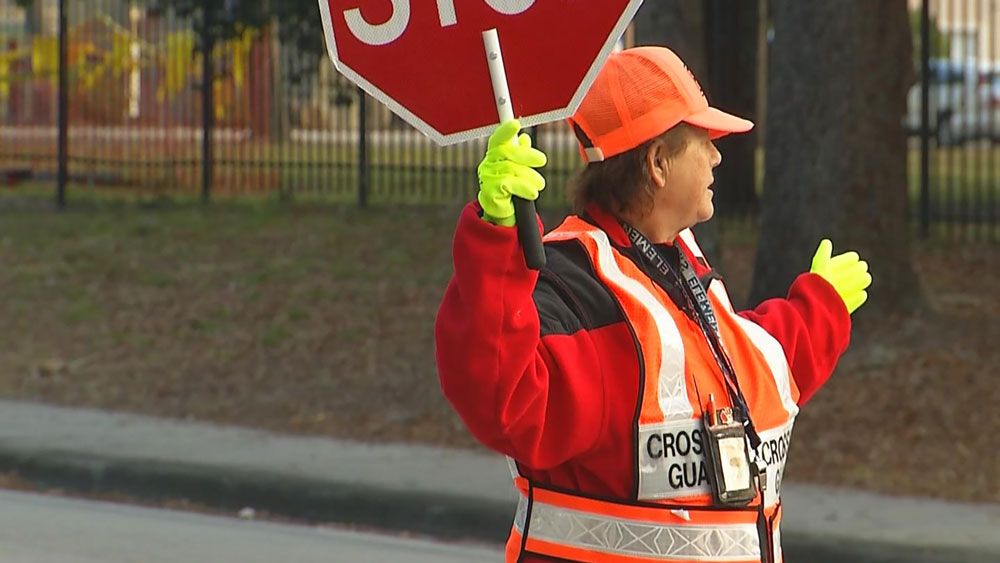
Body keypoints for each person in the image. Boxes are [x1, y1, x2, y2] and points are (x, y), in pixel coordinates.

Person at [435, 46, 872, 563]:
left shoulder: (676, 262)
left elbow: (736, 374)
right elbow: (506, 403)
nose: (716, 156)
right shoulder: (573, 285)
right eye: (702, 141)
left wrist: (820, 308)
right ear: (658, 163)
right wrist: (495, 240)